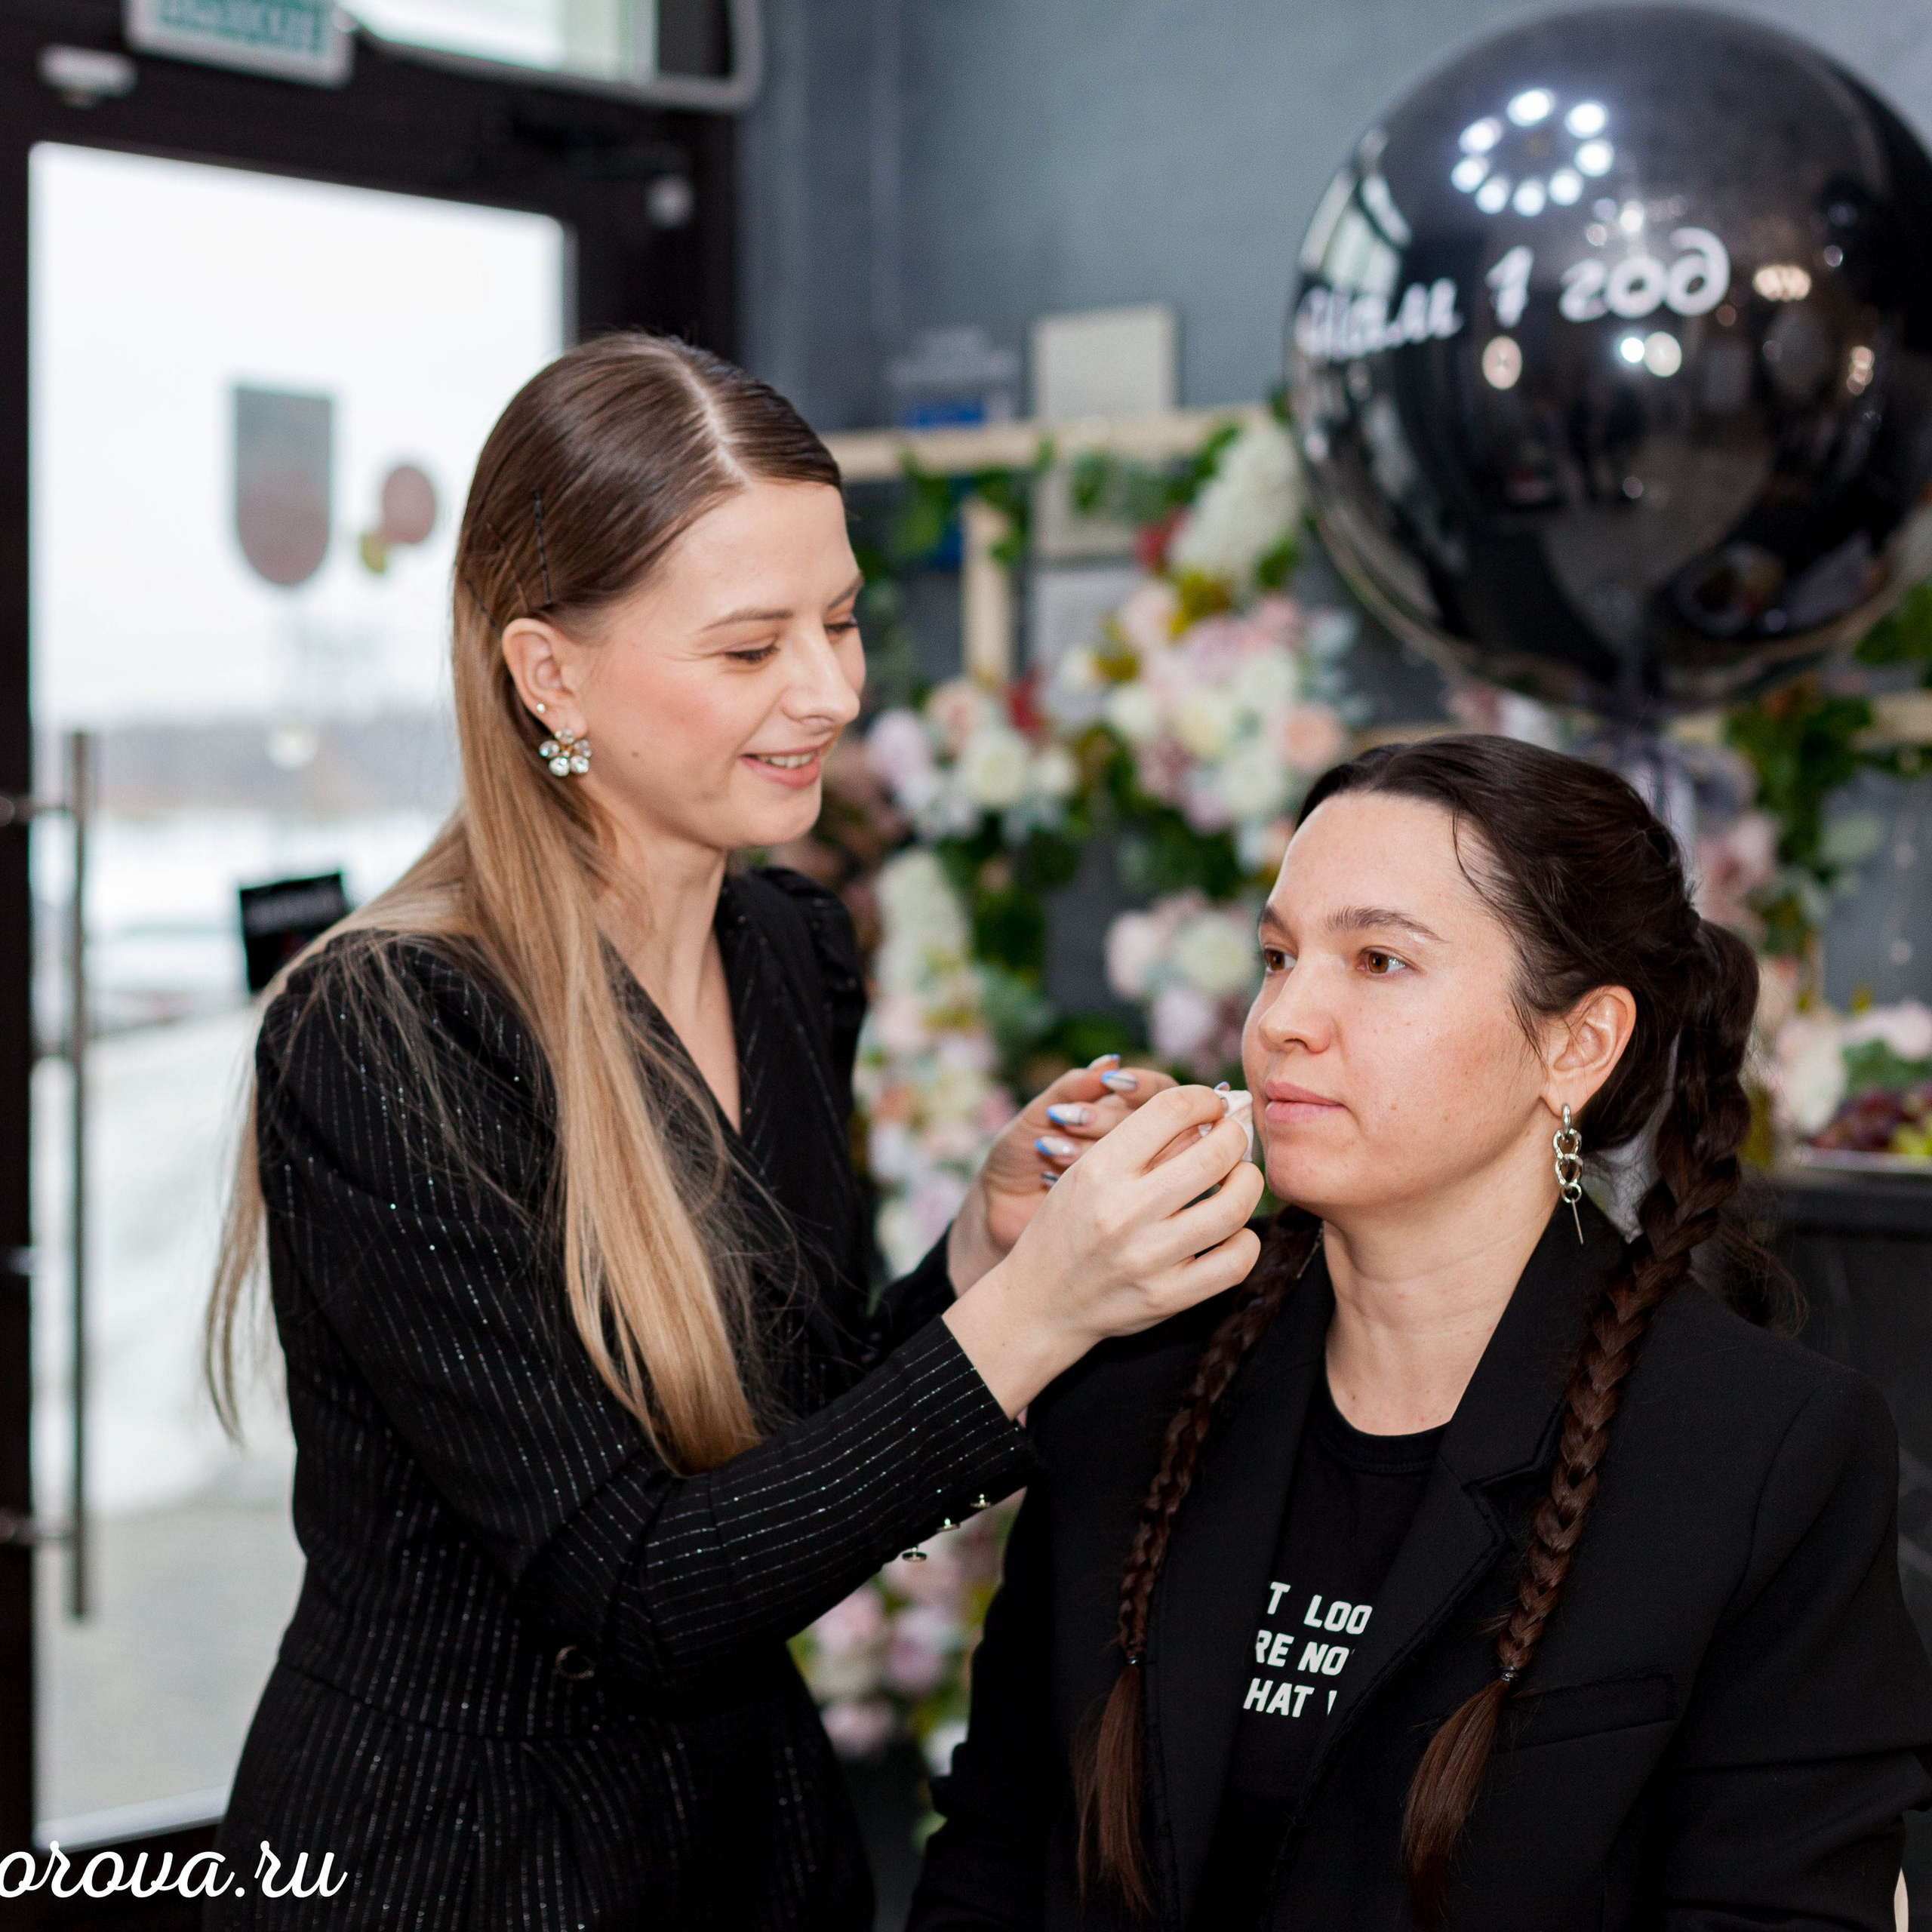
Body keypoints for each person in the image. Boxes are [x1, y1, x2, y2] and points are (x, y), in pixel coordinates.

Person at [202, 333, 1263, 1928]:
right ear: (548, 671)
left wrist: (981, 1260)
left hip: (741, 1846)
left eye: (837, 623)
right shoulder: (387, 1029)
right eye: (750, 646)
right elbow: (635, 1586)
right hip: (453, 1860)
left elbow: (778, 1448)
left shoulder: (785, 946)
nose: (830, 690)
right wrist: (1041, 1321)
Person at [911, 734, 1932, 1931]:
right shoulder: (1139, 1369)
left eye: (1379, 960)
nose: (1287, 1017)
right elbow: (993, 1854)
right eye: (1279, 957)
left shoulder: (1760, 1454)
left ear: (1577, 1045)